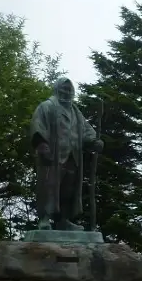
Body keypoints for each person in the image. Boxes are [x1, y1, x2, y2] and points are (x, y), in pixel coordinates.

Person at [29, 77, 103, 231]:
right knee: (49, 188)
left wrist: (94, 141)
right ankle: (45, 219)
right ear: (56, 89)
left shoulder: (76, 112)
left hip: (73, 158)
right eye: (63, 89)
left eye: (69, 90)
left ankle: (63, 220)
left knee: (69, 190)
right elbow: (38, 126)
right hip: (53, 157)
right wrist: (42, 144)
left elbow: (86, 131)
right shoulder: (47, 107)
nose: (66, 92)